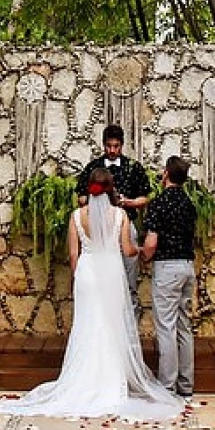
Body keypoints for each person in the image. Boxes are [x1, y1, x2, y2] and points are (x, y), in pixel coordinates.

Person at [3, 164, 183, 420]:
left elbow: (74, 254)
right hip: (111, 272)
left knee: (87, 325)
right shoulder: (120, 215)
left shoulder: (77, 216)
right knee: (111, 326)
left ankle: (83, 381)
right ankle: (110, 384)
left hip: (87, 273)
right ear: (111, 189)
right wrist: (142, 251)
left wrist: (80, 276)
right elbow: (127, 250)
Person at [140, 154, 199, 397]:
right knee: (184, 325)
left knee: (166, 326)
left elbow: (152, 242)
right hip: (187, 267)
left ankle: (167, 385)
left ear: (166, 174)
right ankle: (186, 384)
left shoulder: (159, 203)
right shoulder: (189, 204)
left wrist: (144, 255)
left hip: (167, 267)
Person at [85, 124, 152, 301]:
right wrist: (100, 200)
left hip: (125, 224)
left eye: (116, 146)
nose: (112, 150)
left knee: (130, 275)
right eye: (108, 146)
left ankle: (131, 318)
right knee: (101, 275)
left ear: (122, 145)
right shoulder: (93, 167)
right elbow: (81, 198)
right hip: (99, 227)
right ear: (103, 144)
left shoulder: (133, 167)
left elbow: (145, 198)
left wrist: (128, 202)